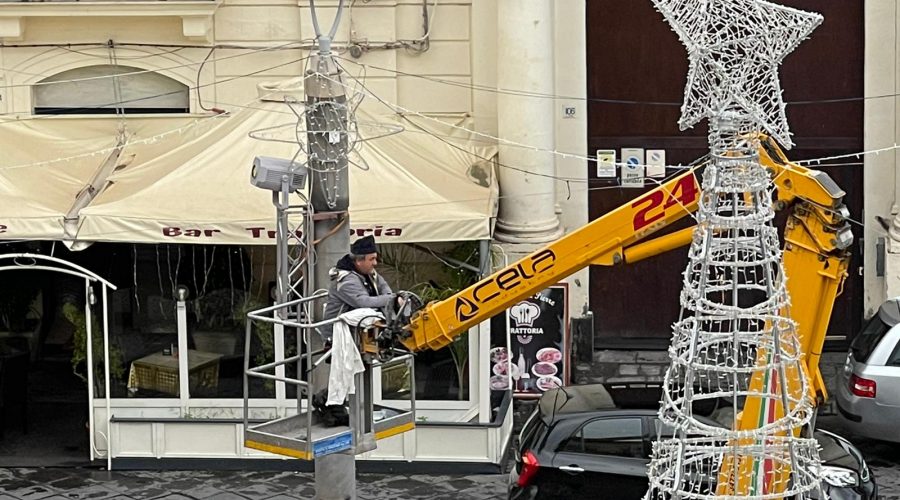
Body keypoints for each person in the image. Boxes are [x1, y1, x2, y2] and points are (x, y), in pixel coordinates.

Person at [322, 235, 400, 338]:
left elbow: (383, 285)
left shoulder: (367, 271)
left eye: (375, 258)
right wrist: (393, 299)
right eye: (371, 259)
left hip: (359, 332)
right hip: (339, 336)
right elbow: (363, 302)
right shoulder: (346, 279)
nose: (375, 263)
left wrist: (391, 297)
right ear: (359, 261)